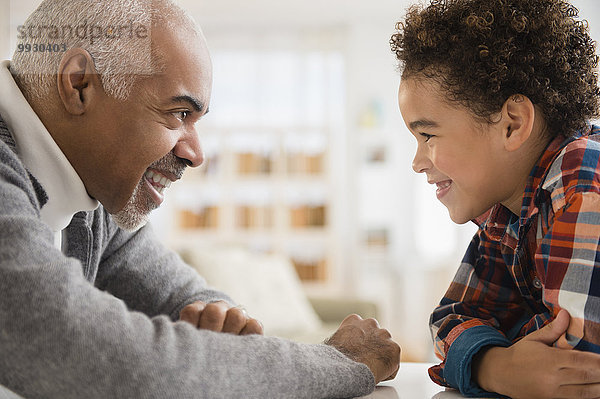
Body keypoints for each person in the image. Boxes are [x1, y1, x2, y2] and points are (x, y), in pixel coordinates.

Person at [0, 0, 401, 398]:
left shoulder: (94, 200)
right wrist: (341, 362)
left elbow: (190, 299)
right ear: (79, 84)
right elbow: (113, 363)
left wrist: (222, 322)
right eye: (178, 114)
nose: (196, 154)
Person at [391, 0, 600, 397]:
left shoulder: (581, 179)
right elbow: (451, 317)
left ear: (512, 124)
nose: (417, 162)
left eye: (428, 135)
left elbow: (575, 367)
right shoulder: (507, 214)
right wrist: (496, 365)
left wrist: (487, 351)